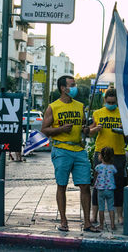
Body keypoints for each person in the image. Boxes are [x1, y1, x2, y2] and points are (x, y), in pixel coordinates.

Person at [41, 75, 98, 233]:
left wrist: (86, 130)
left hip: (79, 150)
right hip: (61, 150)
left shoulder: (80, 106)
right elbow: (44, 130)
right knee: (62, 185)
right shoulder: (53, 107)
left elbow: (83, 128)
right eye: (71, 85)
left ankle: (87, 223)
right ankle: (64, 221)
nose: (74, 87)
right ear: (63, 88)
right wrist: (60, 129)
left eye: (75, 84)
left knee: (85, 185)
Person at [89, 88, 126, 225]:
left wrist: (124, 129)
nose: (111, 104)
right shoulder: (97, 113)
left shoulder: (123, 113)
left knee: (118, 185)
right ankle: (94, 215)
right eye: (108, 102)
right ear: (104, 100)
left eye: (113, 102)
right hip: (101, 153)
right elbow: (90, 133)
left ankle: (119, 215)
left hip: (118, 153)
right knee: (98, 184)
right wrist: (95, 129)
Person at [94, 147, 117, 231]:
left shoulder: (98, 167)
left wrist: (94, 184)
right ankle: (112, 225)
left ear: (101, 157)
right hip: (110, 189)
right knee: (111, 207)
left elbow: (95, 176)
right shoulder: (113, 167)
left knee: (101, 208)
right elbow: (115, 175)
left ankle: (101, 225)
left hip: (100, 189)